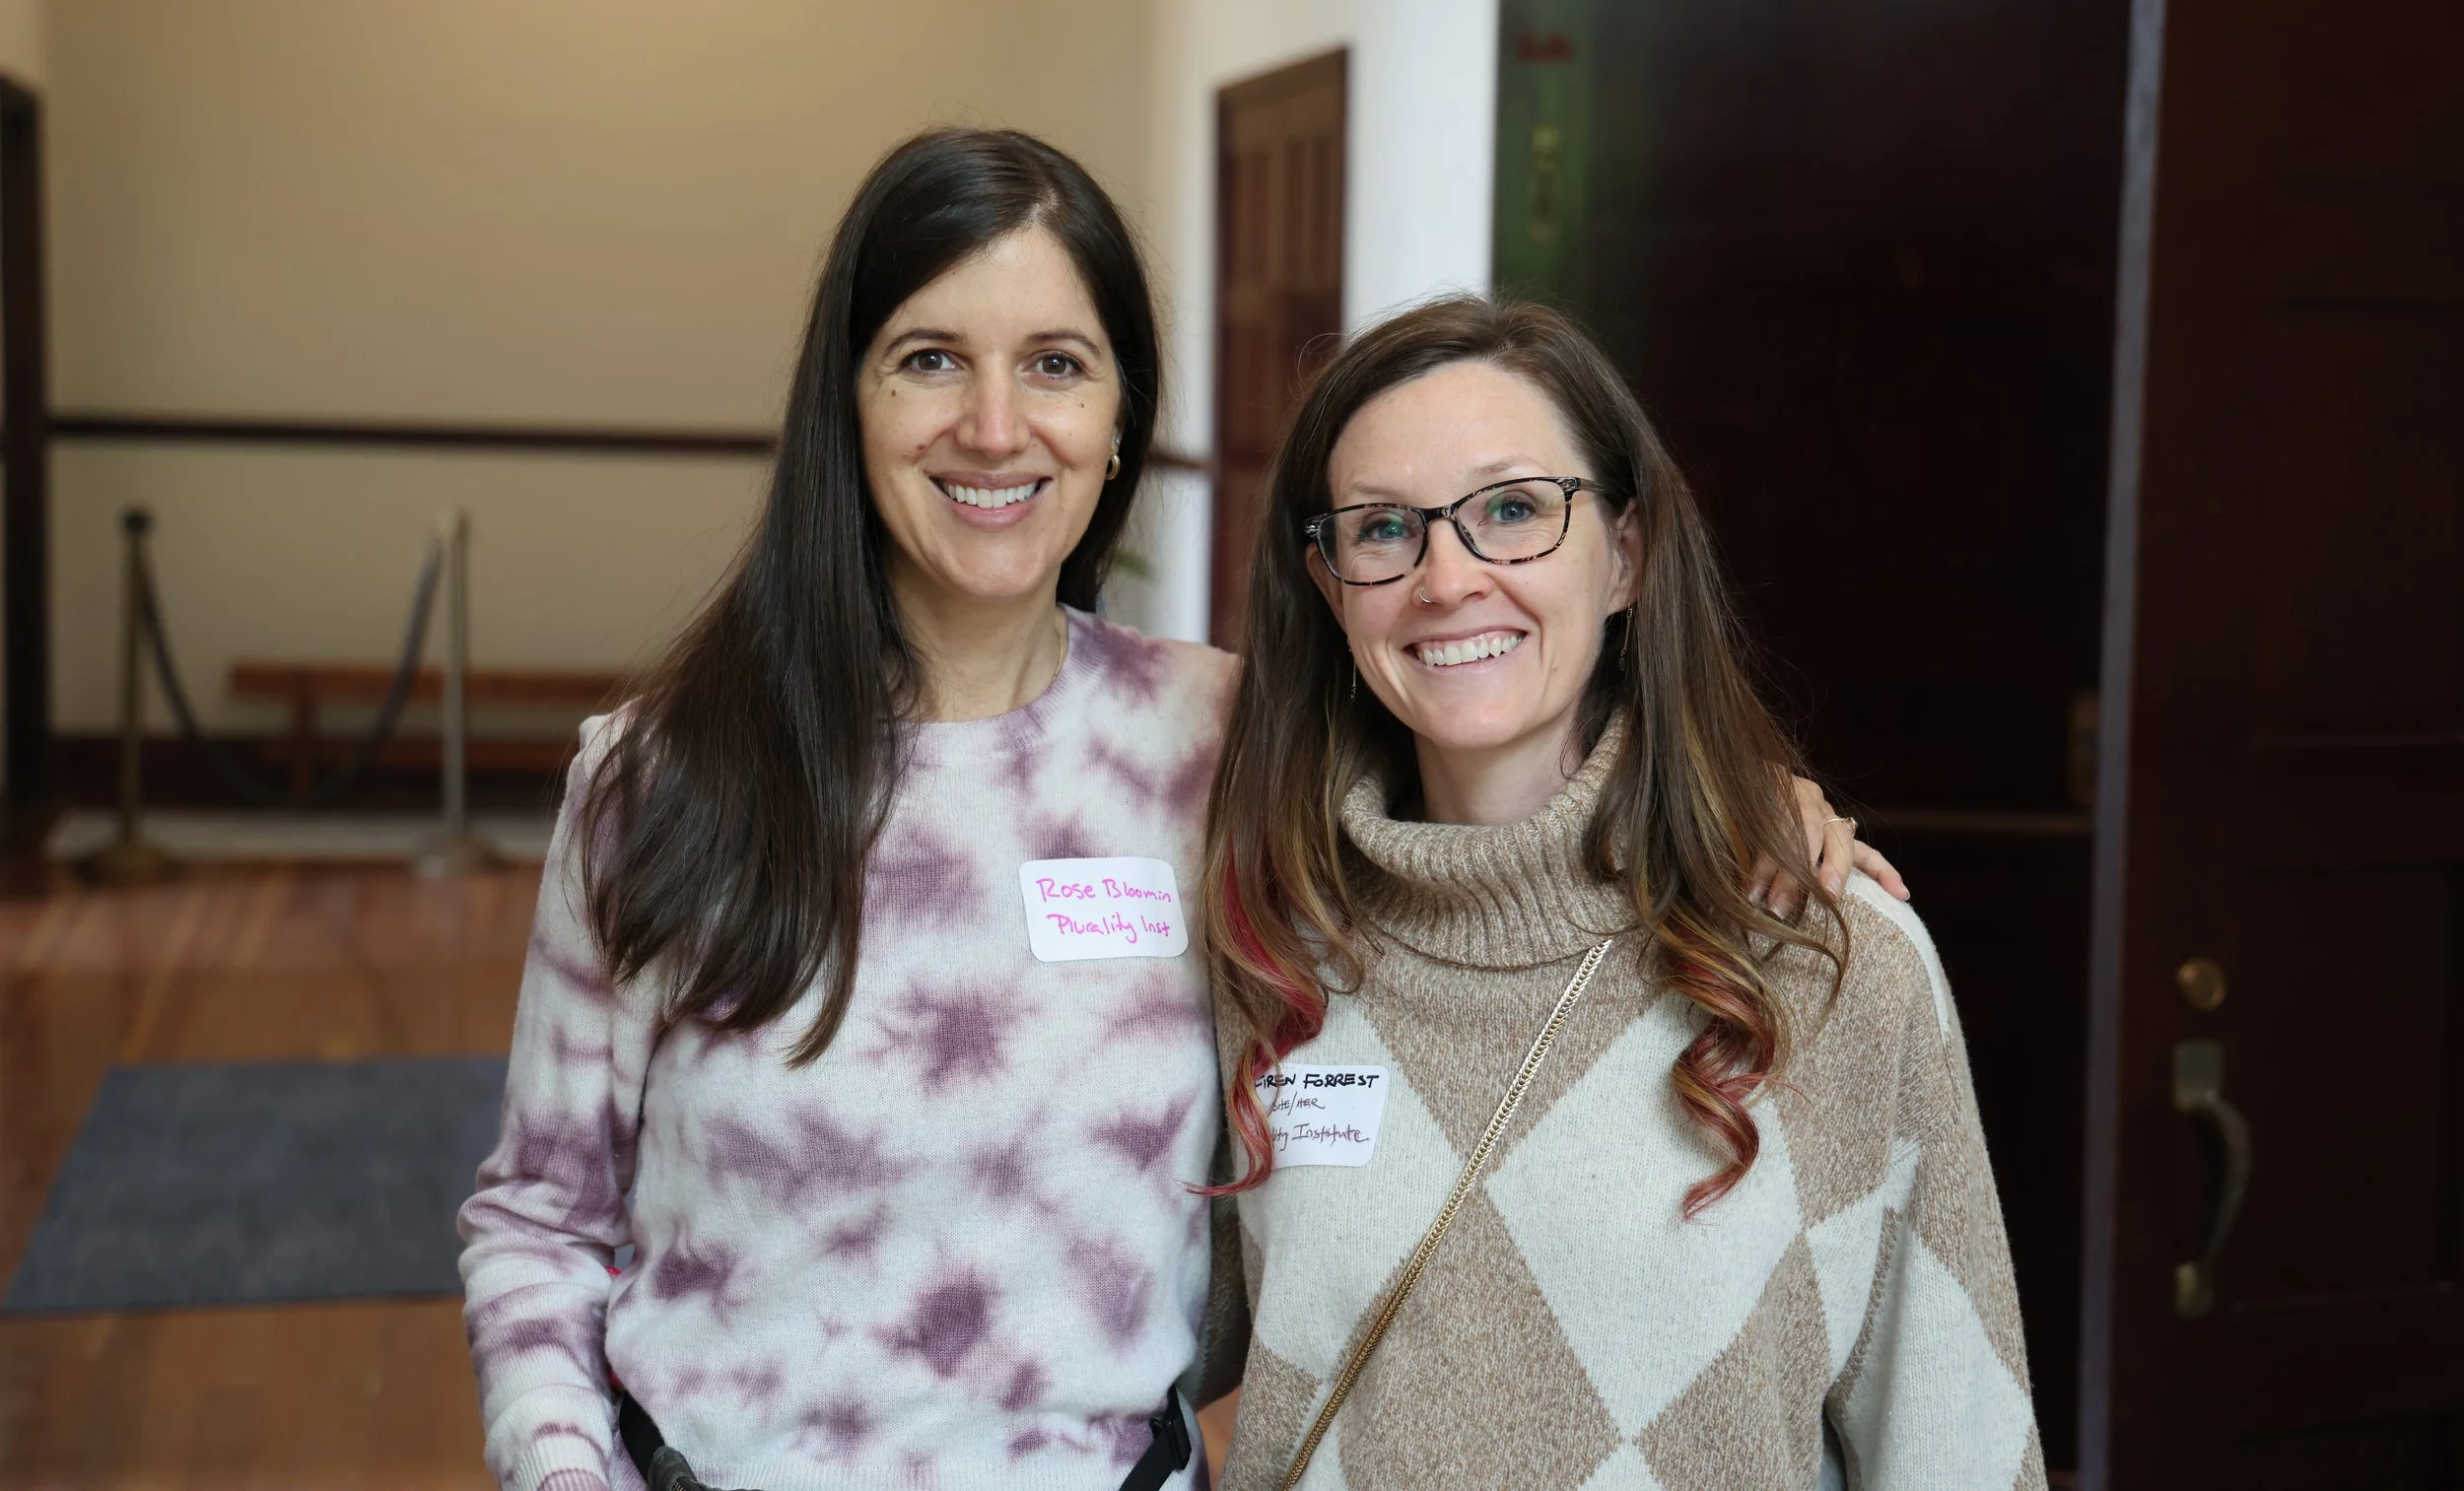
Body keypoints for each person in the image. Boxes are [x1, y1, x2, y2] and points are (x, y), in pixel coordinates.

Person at [458, 130, 1891, 1491]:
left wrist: (1742, 796)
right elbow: (541, 1217)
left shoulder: (1232, 741)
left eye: (1058, 363)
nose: (995, 424)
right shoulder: (663, 779)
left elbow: (1504, 757)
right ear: (847, 396)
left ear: (1122, 413)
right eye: (930, 358)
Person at [1204, 296, 2040, 1491]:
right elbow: (1113, 1359)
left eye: (1510, 510)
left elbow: (1954, 1443)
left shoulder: (1827, 955)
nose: (1448, 578)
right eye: (1384, 528)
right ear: (1331, 584)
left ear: (1627, 555)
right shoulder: (1265, 947)